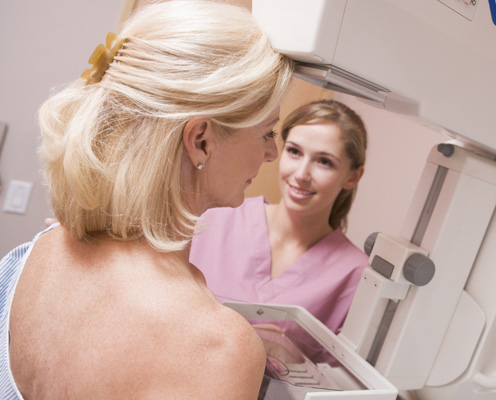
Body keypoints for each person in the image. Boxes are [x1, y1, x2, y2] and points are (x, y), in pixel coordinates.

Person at [0, 1, 293, 399]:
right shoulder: (218, 349)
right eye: (267, 133)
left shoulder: (32, 254)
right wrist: (228, 351)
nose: (271, 155)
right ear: (201, 141)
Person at [190, 100, 369, 341]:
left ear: (353, 176)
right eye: (294, 152)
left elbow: (334, 374)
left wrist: (282, 354)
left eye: (324, 162)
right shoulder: (213, 217)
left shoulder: (355, 273)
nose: (302, 174)